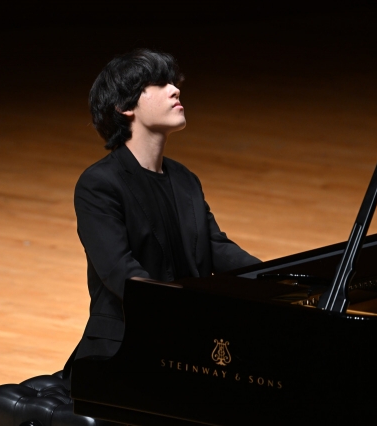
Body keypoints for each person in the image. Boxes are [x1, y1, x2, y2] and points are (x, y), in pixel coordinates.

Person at [71, 48, 260, 363]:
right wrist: (195, 309)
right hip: (123, 348)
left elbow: (219, 251)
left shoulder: (185, 179)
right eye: (159, 84)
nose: (175, 89)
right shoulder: (99, 184)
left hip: (185, 339)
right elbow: (123, 274)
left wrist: (279, 282)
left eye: (173, 82)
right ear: (123, 106)